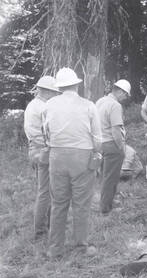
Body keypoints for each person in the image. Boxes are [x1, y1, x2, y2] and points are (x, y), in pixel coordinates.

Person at [43, 67, 102, 258]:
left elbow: (46, 134)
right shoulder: (89, 105)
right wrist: (96, 154)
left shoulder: (48, 105)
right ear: (77, 84)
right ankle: (80, 247)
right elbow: (98, 138)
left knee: (58, 203)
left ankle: (55, 248)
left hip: (57, 156)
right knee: (81, 204)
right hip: (82, 156)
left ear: (59, 87)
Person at [24, 76, 59, 239]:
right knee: (45, 192)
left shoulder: (33, 105)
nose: (55, 95)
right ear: (46, 91)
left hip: (35, 149)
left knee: (47, 190)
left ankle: (50, 226)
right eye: (53, 92)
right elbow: (47, 133)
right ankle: (40, 232)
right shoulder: (43, 108)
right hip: (43, 150)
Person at [96, 79, 131, 214]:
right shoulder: (115, 105)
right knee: (111, 178)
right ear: (120, 91)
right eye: (126, 95)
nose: (125, 98)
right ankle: (105, 209)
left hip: (100, 143)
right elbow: (116, 130)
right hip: (112, 144)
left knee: (105, 176)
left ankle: (107, 201)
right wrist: (121, 147)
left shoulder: (100, 101)